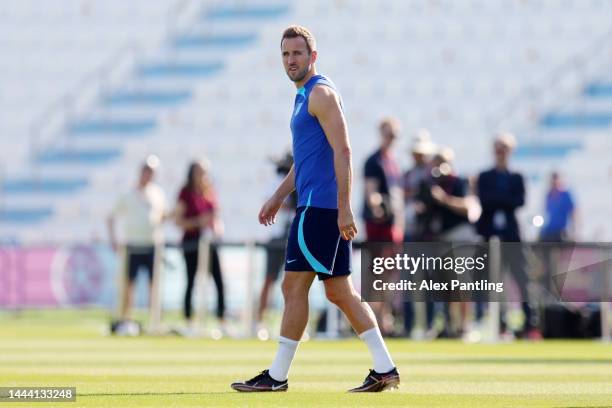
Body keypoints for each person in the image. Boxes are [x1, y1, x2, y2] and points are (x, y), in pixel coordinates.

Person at [231, 25, 399, 393]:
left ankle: (276, 377)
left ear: (313, 57)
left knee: (294, 287)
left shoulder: (320, 93)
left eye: (297, 53)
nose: (291, 60)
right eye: (285, 54)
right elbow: (306, 160)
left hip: (320, 211)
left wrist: (344, 209)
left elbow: (344, 151)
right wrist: (277, 196)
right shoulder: (304, 95)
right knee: (339, 292)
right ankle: (385, 368)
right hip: (317, 207)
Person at [476, 133, 540, 339]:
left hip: (512, 236)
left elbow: (518, 201)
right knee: (492, 280)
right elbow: (485, 200)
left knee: (521, 278)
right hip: (490, 236)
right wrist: (503, 199)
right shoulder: (485, 176)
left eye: (504, 148)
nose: (500, 152)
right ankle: (499, 322)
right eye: (497, 148)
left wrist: (499, 199)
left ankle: (529, 321)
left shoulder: (516, 177)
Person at [107, 156, 166, 332]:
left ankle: (154, 322)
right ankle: (126, 321)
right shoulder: (127, 193)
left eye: (152, 172)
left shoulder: (157, 193)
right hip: (132, 245)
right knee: (128, 285)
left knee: (154, 285)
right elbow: (111, 217)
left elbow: (162, 216)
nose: (149, 174)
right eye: (147, 170)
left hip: (152, 245)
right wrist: (114, 240)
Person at [362, 117, 404, 335]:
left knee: (389, 275)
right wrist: (376, 204)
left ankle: (384, 317)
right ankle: (374, 319)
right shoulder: (374, 161)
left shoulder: (392, 162)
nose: (392, 139)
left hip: (392, 227)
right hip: (379, 227)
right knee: (377, 275)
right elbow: (372, 192)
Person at [175, 160, 225, 335]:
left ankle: (221, 321)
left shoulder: (209, 192)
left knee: (219, 281)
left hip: (209, 243)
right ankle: (189, 321)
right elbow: (179, 221)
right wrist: (198, 223)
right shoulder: (185, 193)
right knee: (190, 281)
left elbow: (215, 218)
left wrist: (216, 227)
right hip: (191, 243)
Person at [256, 152, 297, 339]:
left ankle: (292, 326)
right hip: (276, 236)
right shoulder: (277, 181)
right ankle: (260, 322)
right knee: (269, 279)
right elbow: (272, 203)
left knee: (296, 283)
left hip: (294, 236)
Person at [540, 171, 576, 242]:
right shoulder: (549, 195)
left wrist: (574, 229)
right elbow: (546, 213)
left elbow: (573, 212)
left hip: (561, 230)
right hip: (549, 229)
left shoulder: (565, 195)